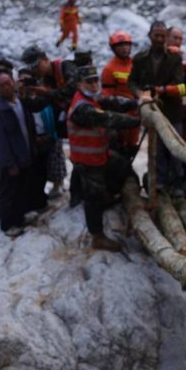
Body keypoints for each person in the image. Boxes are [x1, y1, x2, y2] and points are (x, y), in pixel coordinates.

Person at [68, 66, 140, 251]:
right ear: (79, 84)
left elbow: (113, 102)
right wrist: (137, 121)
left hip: (100, 154)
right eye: (89, 82)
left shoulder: (92, 98)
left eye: (95, 81)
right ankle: (97, 237)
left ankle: (110, 196)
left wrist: (136, 103)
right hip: (87, 160)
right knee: (93, 198)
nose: (94, 85)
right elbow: (108, 118)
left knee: (123, 167)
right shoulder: (82, 107)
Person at [128, 20, 186, 195]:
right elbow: (132, 81)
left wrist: (158, 92)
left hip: (172, 111)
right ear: (150, 36)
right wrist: (140, 94)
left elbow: (178, 82)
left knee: (177, 148)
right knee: (157, 148)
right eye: (157, 36)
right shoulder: (140, 59)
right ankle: (159, 181)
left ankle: (177, 184)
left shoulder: (175, 58)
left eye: (163, 36)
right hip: (152, 112)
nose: (160, 39)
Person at [20, 45, 79, 203]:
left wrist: (45, 92)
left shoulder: (66, 67)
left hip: (85, 118)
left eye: (36, 66)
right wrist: (22, 96)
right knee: (77, 158)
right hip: (71, 122)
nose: (35, 71)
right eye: (31, 68)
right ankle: (77, 193)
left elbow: (71, 90)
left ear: (46, 60)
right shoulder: (44, 80)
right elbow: (39, 104)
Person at [0, 70, 38, 237]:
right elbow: (0, 140)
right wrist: (10, 163)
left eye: (9, 83)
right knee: (9, 192)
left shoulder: (18, 100)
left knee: (22, 188)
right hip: (11, 159)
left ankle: (21, 216)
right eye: (2, 85)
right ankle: (8, 224)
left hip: (24, 152)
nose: (7, 87)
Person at [101, 31, 139, 157]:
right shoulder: (109, 69)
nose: (124, 48)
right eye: (120, 45)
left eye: (127, 45)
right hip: (120, 118)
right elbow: (107, 98)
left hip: (136, 116)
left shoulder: (136, 65)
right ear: (113, 48)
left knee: (132, 148)